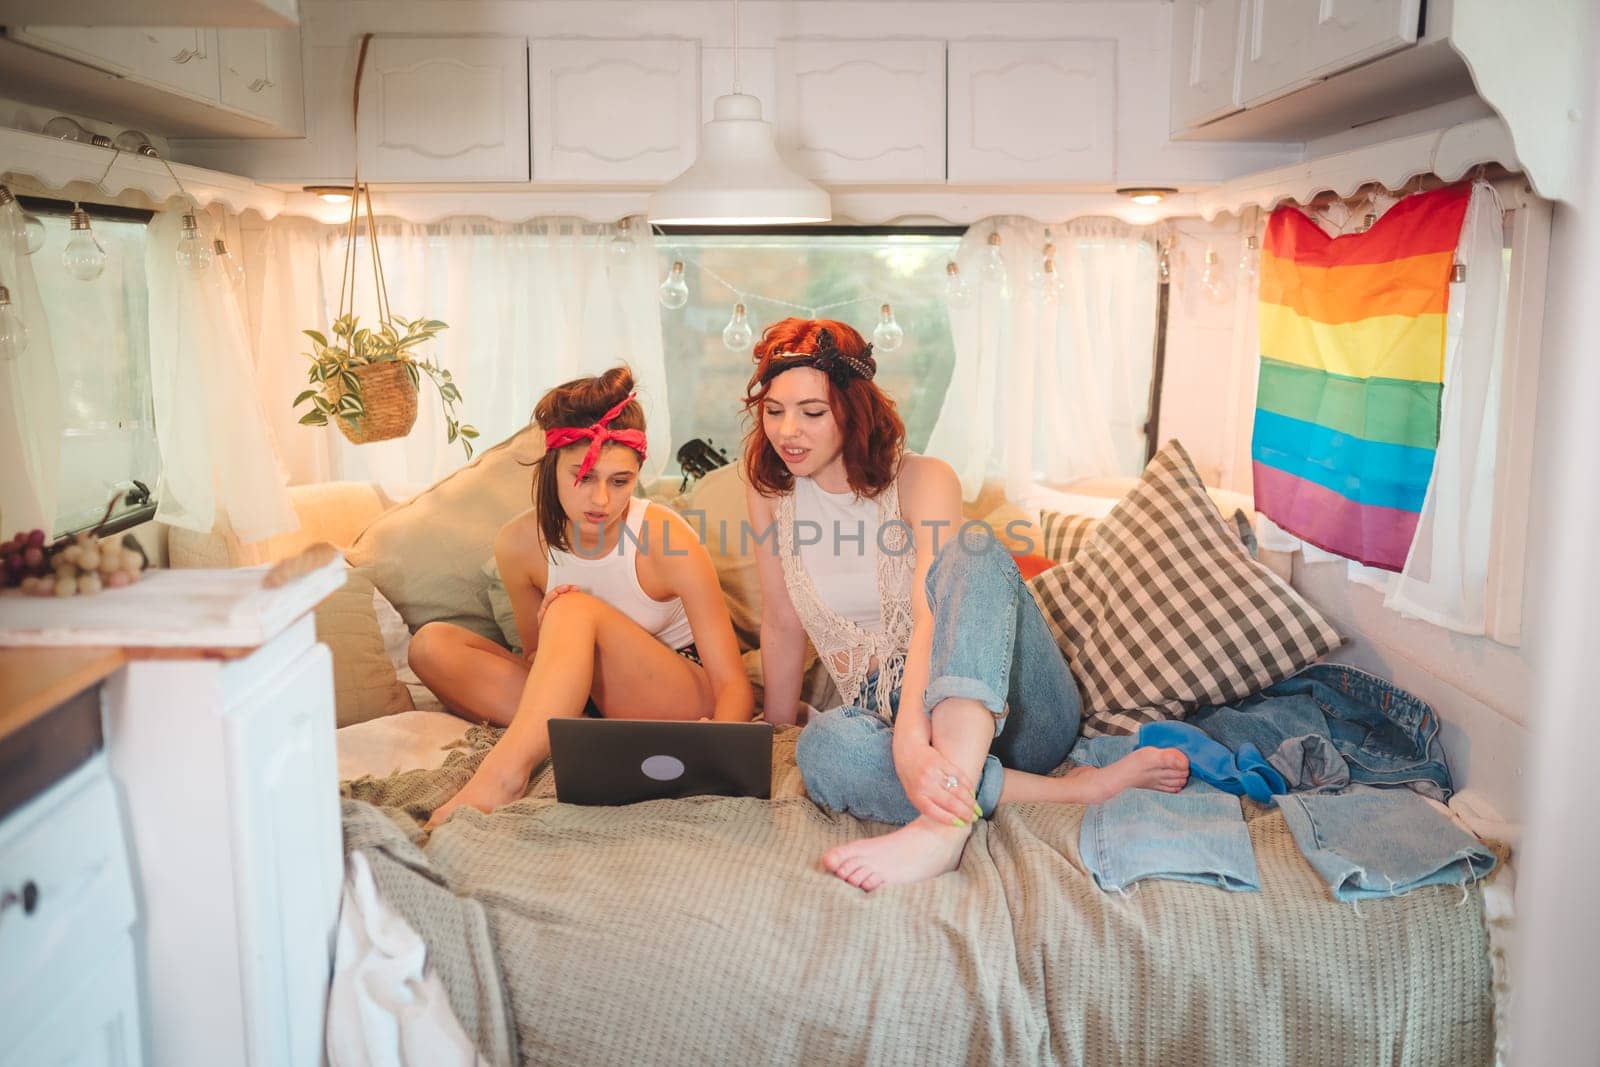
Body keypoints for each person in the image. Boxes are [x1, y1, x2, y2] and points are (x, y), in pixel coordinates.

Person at [743, 318, 1189, 891]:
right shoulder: (767, 492)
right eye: (774, 410)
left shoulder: (924, 478)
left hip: (1022, 714)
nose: (789, 431)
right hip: (886, 713)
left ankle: (941, 832)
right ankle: (1075, 789)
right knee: (824, 749)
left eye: (812, 411)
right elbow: (781, 620)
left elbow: (932, 613)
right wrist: (775, 733)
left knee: (973, 548)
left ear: (851, 411)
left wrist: (910, 741)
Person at [414, 367, 754, 826]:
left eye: (620, 481)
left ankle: (506, 776)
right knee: (430, 645)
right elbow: (539, 663)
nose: (602, 500)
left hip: (675, 696)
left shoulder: (664, 536)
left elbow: (732, 684)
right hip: (583, 704)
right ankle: (590, 743)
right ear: (553, 463)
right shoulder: (517, 545)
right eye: (585, 476)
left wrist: (714, 755)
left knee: (572, 607)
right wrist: (557, 629)